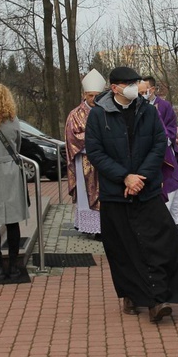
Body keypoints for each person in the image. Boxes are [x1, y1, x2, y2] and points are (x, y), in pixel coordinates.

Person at [85, 66, 178, 322]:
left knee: (160, 242)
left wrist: (140, 177)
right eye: (129, 83)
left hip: (147, 189)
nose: (135, 86)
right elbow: (95, 152)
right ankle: (131, 293)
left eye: (136, 81)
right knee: (123, 247)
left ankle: (158, 299)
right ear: (114, 87)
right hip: (116, 192)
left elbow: (159, 144)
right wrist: (124, 177)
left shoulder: (147, 110)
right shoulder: (98, 115)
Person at [139, 77, 178, 232]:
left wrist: (164, 140)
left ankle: (174, 219)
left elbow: (171, 126)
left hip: (164, 149)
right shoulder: (137, 105)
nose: (143, 94)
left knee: (172, 182)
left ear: (152, 89)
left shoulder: (164, 106)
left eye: (145, 91)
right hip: (144, 152)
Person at [65, 69, 106, 239]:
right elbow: (72, 138)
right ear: (84, 94)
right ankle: (90, 227)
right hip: (85, 160)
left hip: (104, 161)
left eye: (97, 95)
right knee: (86, 193)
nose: (94, 99)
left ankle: (104, 226)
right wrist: (96, 144)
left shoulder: (106, 111)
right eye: (90, 95)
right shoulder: (75, 114)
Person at [0, 83, 30, 280]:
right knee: (12, 222)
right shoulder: (12, 119)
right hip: (10, 170)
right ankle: (14, 267)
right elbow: (18, 144)